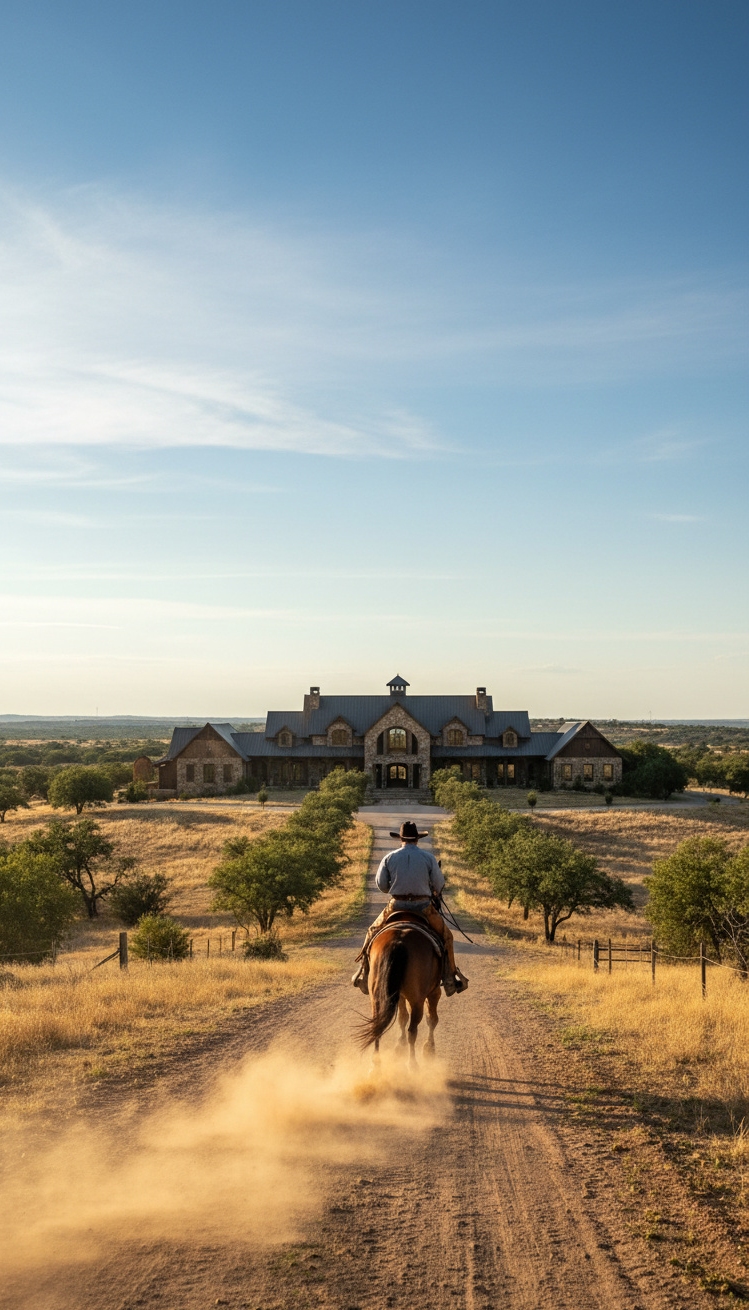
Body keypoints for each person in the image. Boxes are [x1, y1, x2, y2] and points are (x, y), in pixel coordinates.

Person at [352, 820, 469, 996]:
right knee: (447, 937)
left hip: (396, 905)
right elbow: (439, 884)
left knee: (371, 932)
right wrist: (432, 890)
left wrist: (395, 886)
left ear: (401, 839)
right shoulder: (428, 858)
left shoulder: (389, 858)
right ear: (417, 839)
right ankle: (451, 979)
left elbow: (382, 886)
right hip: (423, 907)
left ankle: (365, 974)